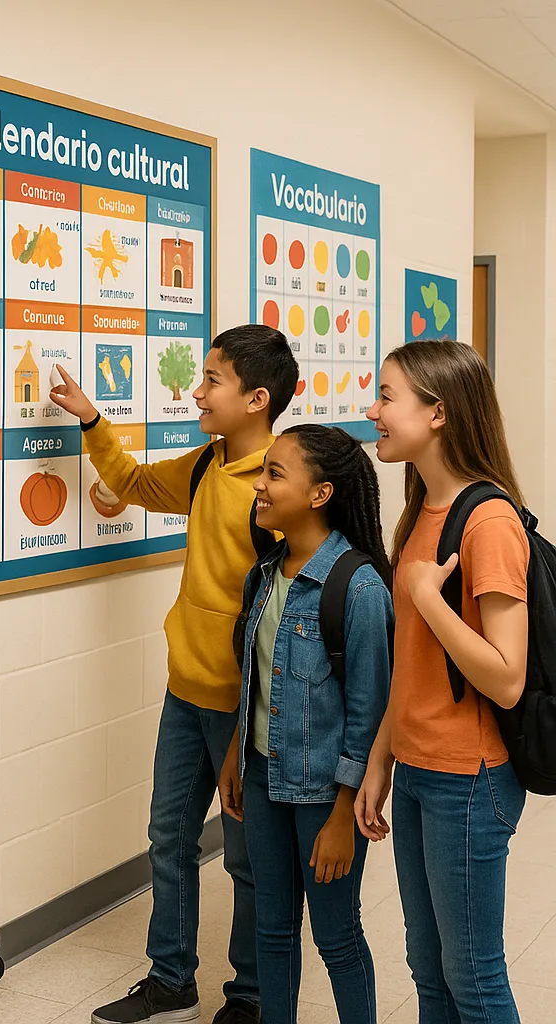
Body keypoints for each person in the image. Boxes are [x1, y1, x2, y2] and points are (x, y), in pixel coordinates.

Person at [50, 325, 299, 1024]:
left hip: (249, 710)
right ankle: (171, 981)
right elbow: (129, 482)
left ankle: (251, 997)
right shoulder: (204, 466)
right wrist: (94, 421)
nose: (198, 390)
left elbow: (288, 618)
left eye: (212, 379)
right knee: (169, 840)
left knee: (249, 862)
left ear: (256, 399)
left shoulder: (280, 489)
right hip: (184, 695)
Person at [356, 340, 529, 1024]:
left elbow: (508, 678)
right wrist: (380, 760)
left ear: (438, 413)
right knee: (429, 973)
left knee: (474, 979)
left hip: (471, 777)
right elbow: (411, 662)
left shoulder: (487, 521)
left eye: (388, 396)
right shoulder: (420, 509)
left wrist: (429, 598)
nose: (372, 410)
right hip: (421, 768)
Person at [219, 425, 393, 1024]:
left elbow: (369, 713)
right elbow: (257, 678)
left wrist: (345, 813)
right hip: (263, 777)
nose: (259, 486)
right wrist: (236, 753)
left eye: (274, 473)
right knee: (272, 927)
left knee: (336, 937)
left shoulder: (359, 587)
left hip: (325, 792)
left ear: (319, 494)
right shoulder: (263, 574)